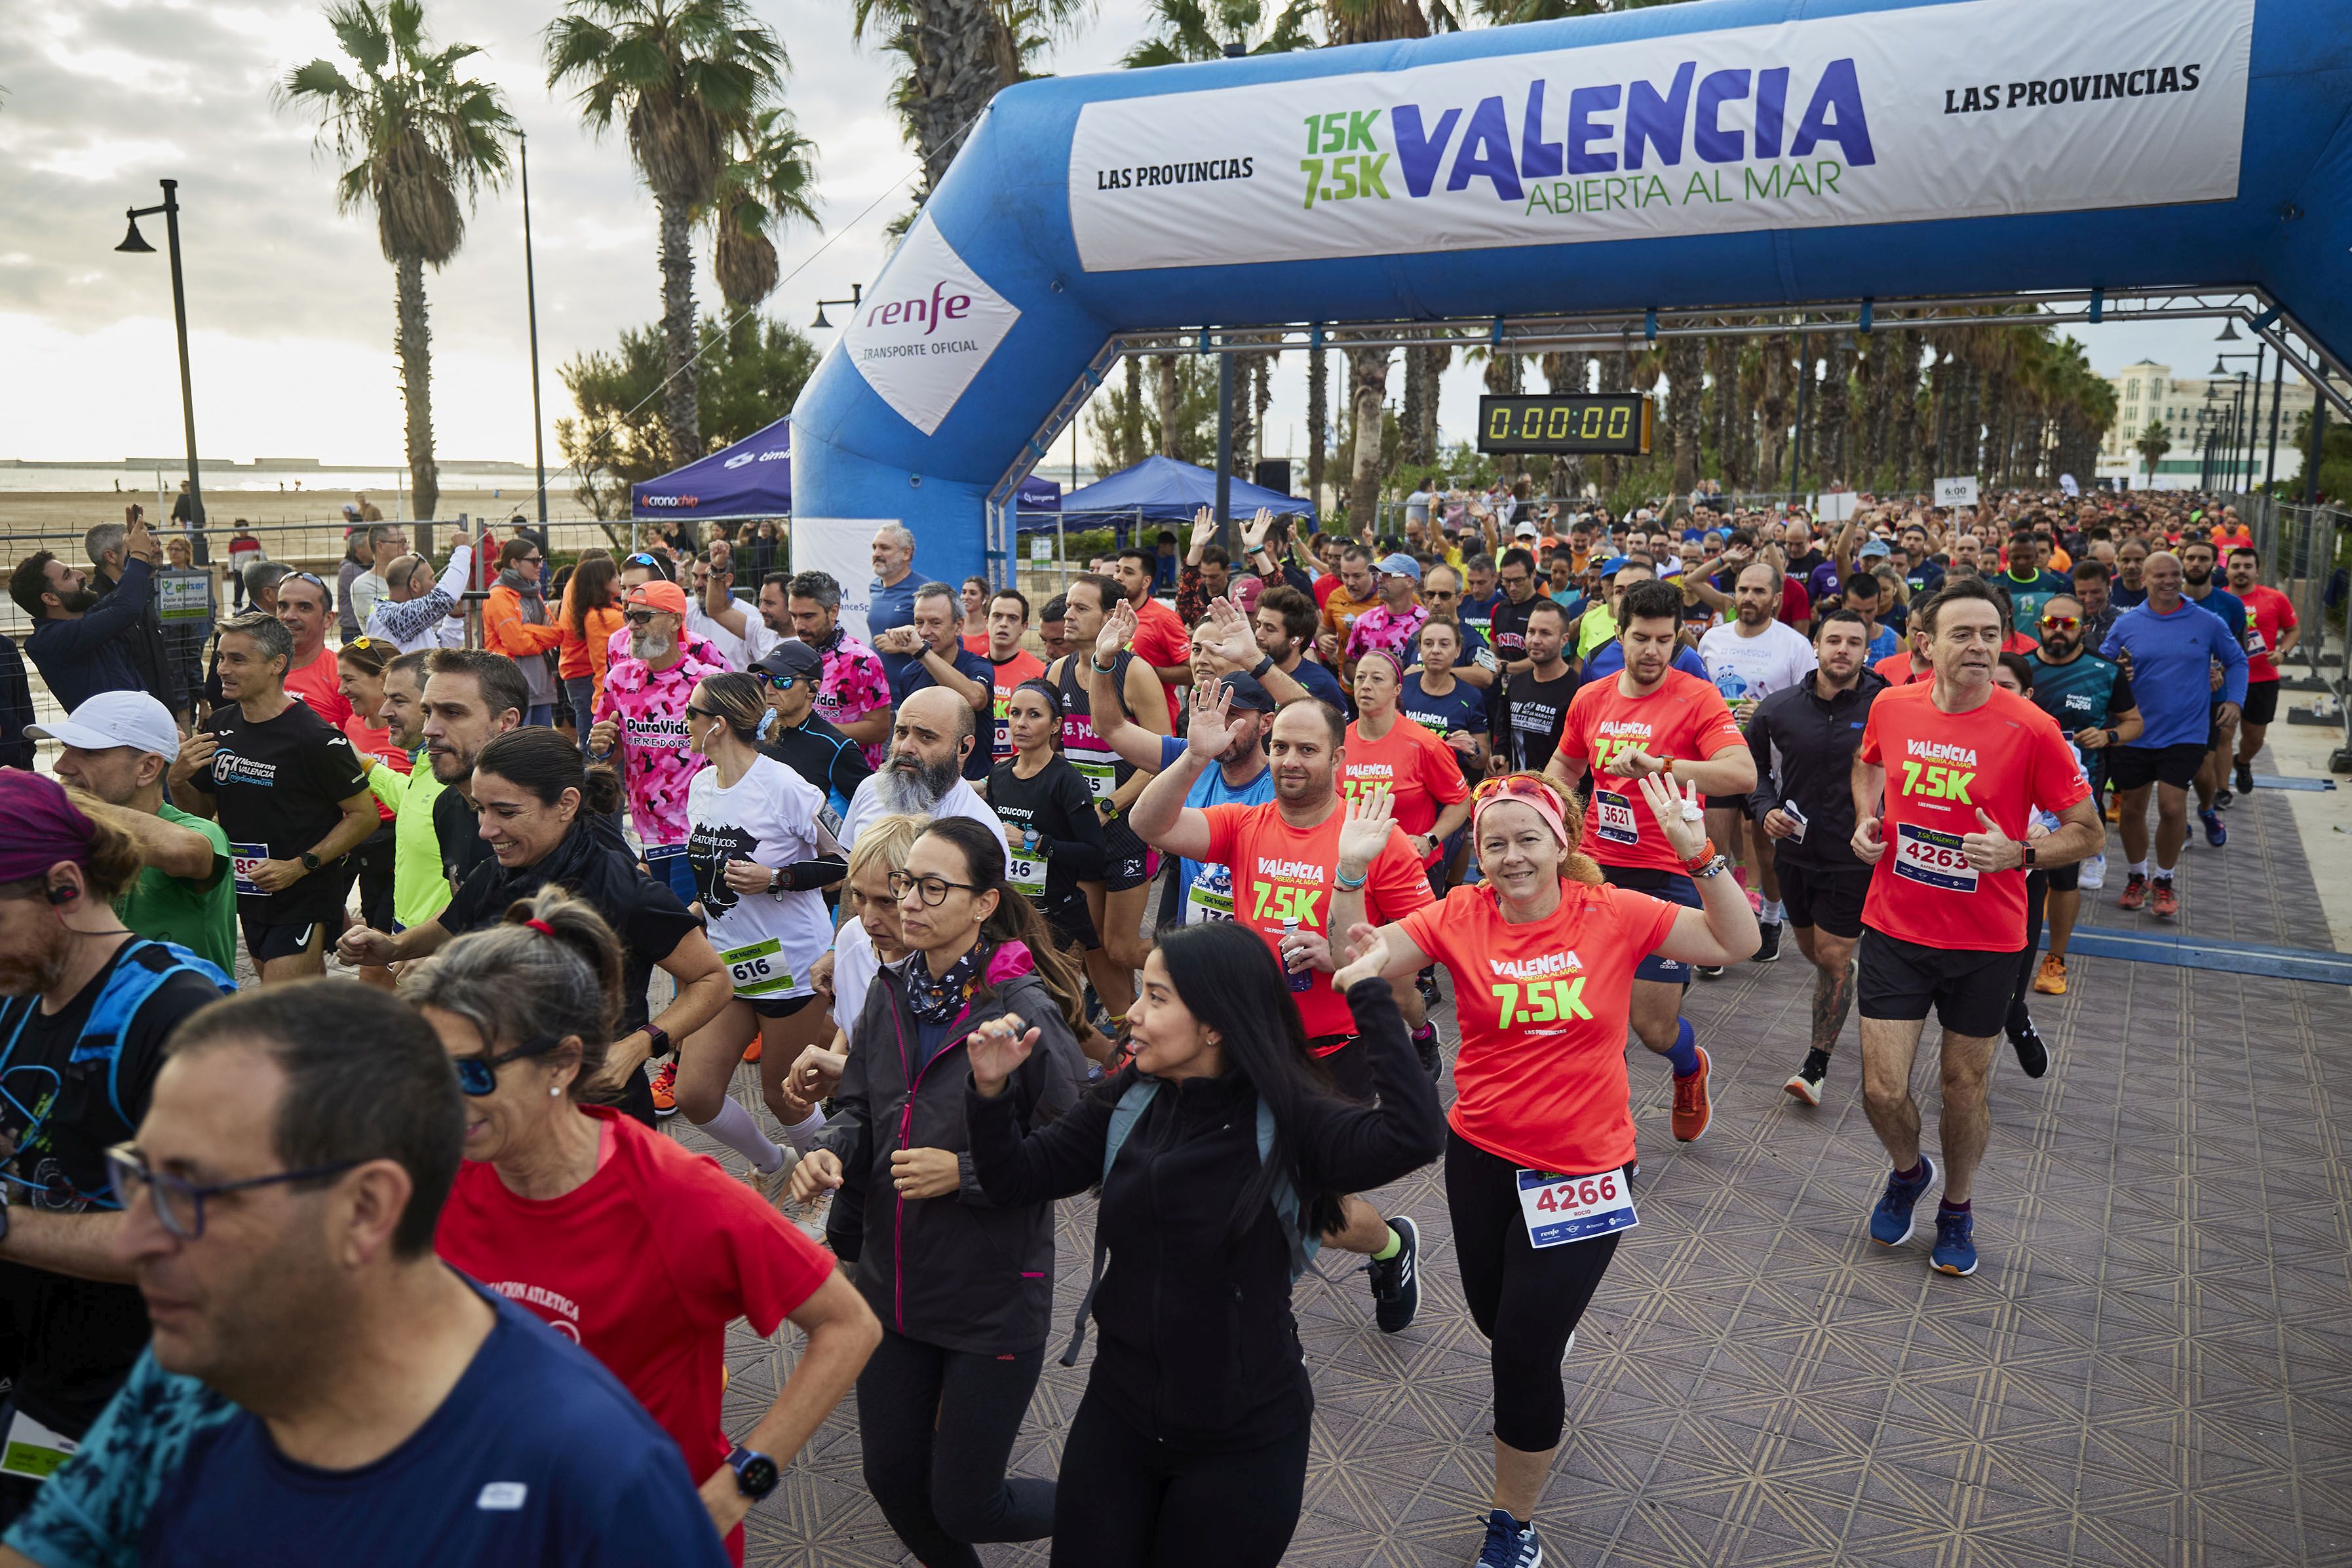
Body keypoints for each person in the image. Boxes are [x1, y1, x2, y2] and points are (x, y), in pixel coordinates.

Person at [58, 979, 735, 1565]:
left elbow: (841, 1319)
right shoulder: (180, 1381)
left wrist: (743, 1481)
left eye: (198, 1193)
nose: (138, 1236)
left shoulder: (587, 1458)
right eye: (141, 1177)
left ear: (366, 1206)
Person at [1331, 770, 1755, 1568]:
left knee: (1519, 1352)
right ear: (1479, 854)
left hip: (1586, 1167)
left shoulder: (1614, 912)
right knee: (1497, 1321)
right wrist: (1352, 875)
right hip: (1483, 1156)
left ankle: (1511, 1520)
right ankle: (1533, 1349)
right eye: (1495, 842)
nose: (1512, 856)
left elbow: (1740, 942)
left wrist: (1700, 854)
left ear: (1562, 843)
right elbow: (1353, 960)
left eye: (1529, 838)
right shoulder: (1459, 914)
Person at [409, 890, 879, 1563]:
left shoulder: (676, 1195)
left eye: (471, 1071)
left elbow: (848, 1326)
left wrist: (736, 1487)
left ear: (564, 1062)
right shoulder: (435, 1174)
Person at [963, 920, 1445, 1568]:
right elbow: (1015, 1178)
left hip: (1243, 1440)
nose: (1131, 1012)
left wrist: (1364, 991)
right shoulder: (1126, 1098)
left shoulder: (1290, 1118)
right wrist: (990, 1093)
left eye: (1156, 997)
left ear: (1217, 1023)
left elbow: (1415, 1135)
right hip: (1119, 1415)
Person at [788, 818, 1089, 1568]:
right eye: (905, 886)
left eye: (932, 887)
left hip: (990, 1292)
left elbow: (1079, 1149)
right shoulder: (892, 987)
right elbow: (863, 1106)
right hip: (892, 1284)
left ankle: (1126, 1502)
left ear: (985, 902)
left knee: (966, 1501)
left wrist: (970, 1173)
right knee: (890, 1476)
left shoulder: (1025, 1010)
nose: (909, 903)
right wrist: (828, 1152)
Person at [1130, 691, 1437, 1333]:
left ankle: (1356, 1269)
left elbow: (1418, 960)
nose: (1289, 760)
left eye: (1306, 749)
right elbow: (1149, 825)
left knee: (1296, 1198)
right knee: (1273, 1194)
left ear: (1339, 756)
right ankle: (1368, 1258)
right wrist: (1191, 757)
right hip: (1248, 1044)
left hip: (1337, 1051)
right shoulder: (1247, 823)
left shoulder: (1376, 840)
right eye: (1280, 747)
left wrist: (1339, 959)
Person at [1850, 579, 2104, 1278]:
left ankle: (1956, 1206)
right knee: (1881, 1089)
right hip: (1897, 925)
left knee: (1963, 1086)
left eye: (1990, 635)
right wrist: (1865, 820)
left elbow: (2087, 832)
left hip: (1987, 941)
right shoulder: (1890, 703)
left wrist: (2019, 853)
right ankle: (1908, 1171)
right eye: (1963, 634)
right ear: (1924, 643)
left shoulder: (2030, 726)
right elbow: (1867, 762)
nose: (1979, 647)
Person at [0, 771, 233, 1526]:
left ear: (65, 886)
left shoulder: (178, 1014)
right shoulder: (18, 995)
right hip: (47, 1395)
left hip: (158, 1407)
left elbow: (199, 1240)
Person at [337, 727, 731, 1126]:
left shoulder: (624, 888)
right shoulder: (497, 869)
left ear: (566, 804)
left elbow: (713, 980)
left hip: (596, 1108)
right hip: (507, 1098)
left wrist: (637, 1046)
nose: (486, 829)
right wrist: (394, 947)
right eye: (480, 808)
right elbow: (454, 920)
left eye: (505, 812)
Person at [1543, 579, 1756, 1142]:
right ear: (1619, 632)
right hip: (1594, 866)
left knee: (1653, 1025)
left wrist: (1663, 764)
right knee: (1578, 1001)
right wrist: (1538, 820)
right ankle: (1585, 1122)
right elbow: (1562, 770)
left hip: (1667, 870)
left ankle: (1689, 1067)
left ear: (1677, 637)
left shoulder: (1697, 697)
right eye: (1640, 638)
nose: (1651, 652)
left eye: (1664, 639)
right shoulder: (1590, 697)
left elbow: (1741, 773)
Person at [676, 673, 845, 1176]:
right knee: (695, 1094)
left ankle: (839, 1188)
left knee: (784, 1094)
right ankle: (774, 1164)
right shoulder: (701, 785)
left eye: (690, 714)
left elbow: (845, 862)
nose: (681, 723)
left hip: (793, 965)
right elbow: (710, 872)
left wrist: (778, 876)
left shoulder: (786, 787)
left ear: (718, 725)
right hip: (729, 966)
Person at [164, 614, 376, 982]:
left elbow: (364, 816)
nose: (222, 670)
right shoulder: (220, 725)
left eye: (237, 659)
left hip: (302, 894)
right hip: (248, 892)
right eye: (220, 658)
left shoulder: (315, 737)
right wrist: (179, 782)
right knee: (289, 1008)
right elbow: (203, 812)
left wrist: (300, 865)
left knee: (286, 1010)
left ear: (277, 664)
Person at [1743, 611, 1887, 1105]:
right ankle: (1843, 981)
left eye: (1854, 641)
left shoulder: (1888, 705)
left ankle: (1815, 1066)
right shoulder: (1778, 708)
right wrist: (1764, 809)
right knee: (1813, 951)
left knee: (1831, 955)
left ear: (1866, 650)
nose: (1842, 650)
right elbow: (1752, 769)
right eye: (1833, 640)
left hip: (1855, 855)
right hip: (1795, 853)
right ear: (1816, 646)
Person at [39, 692, 235, 974]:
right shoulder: (67, 834)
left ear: (147, 768)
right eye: (65, 747)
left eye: (89, 752)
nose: (61, 765)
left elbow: (185, 852)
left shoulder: (199, 831)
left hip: (190, 1017)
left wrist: (49, 800)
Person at [2100, 551, 2247, 918]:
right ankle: (2137, 876)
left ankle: (2164, 881)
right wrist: (2116, 672)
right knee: (2132, 809)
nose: (2169, 581)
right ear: (2144, 580)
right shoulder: (2128, 623)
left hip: (2186, 732)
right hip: (2135, 730)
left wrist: (2235, 702)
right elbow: (2101, 666)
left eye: (2175, 575)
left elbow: (2238, 660)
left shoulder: (2206, 622)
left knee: (2170, 806)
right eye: (2160, 575)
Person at [1341, 648, 1469, 1060]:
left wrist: (1430, 838)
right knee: (1349, 963)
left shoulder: (1423, 744)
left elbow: (1460, 802)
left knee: (1402, 989)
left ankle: (1420, 1032)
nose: (1366, 686)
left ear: (1398, 690)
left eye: (1378, 679)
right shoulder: (1338, 743)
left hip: (1410, 872)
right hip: (1353, 873)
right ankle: (1356, 1049)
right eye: (1361, 677)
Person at [1053, 576, 1171, 1020]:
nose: (1068, 614)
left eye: (1080, 608)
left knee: (1122, 946)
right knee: (1093, 942)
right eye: (1068, 605)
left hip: (1125, 825)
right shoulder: (1058, 671)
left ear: (1109, 617)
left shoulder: (1135, 671)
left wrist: (1109, 806)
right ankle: (1126, 1034)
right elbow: (1056, 753)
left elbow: (1162, 757)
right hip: (1082, 828)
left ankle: (1203, 972)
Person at [2022, 596, 2140, 1001]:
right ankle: (2008, 952)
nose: (2059, 630)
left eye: (2068, 624)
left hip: (2075, 791)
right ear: (2039, 625)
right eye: (2051, 622)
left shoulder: (2104, 672)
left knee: (2062, 875)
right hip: (2019, 787)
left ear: (2083, 628)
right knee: (2013, 873)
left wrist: (2109, 736)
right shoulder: (2019, 668)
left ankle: (2055, 958)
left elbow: (2134, 723)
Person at [1697, 560, 1819, 942]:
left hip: (1770, 764)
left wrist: (1767, 713)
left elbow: (1811, 705)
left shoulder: (1795, 645)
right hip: (1719, 758)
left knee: (1766, 850)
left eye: (1759, 591)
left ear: (1777, 599)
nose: (1748, 598)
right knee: (1712, 848)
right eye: (1743, 590)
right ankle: (1716, 923)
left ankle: (1769, 918)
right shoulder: (1713, 640)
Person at [591, 581, 727, 904]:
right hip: (647, 833)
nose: (632, 626)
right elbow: (609, 754)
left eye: (643, 617)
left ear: (675, 620)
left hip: (697, 829)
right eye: (629, 616)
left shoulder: (707, 681)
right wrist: (602, 746)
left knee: (688, 928)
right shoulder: (619, 679)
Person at [988, 678, 1109, 963]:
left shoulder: (1067, 780)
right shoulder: (999, 775)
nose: (1020, 723)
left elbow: (1095, 854)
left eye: (1034, 715)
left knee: (1058, 1006)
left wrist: (1034, 843)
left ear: (1055, 725)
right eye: (1015, 713)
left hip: (1059, 919)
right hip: (1010, 914)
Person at [11, 512, 161, 714]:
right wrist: (139, 555)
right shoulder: (51, 640)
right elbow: (126, 608)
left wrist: (129, 548)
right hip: (108, 742)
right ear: (51, 598)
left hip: (139, 728)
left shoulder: (86, 618)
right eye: (68, 576)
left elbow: (122, 596)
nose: (81, 575)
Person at [351, 649, 454, 937]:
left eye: (398, 700)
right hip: (410, 935)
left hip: (436, 948)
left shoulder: (465, 782)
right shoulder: (427, 764)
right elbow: (412, 801)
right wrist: (365, 764)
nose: (384, 711)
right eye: (386, 697)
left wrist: (430, 947)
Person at [838, 689, 1012, 857]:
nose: (905, 747)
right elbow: (849, 869)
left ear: (963, 748)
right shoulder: (870, 788)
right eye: (901, 733)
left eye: (926, 737)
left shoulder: (980, 827)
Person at [418, 649, 528, 889]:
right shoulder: (446, 805)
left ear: (506, 722)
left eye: (453, 713)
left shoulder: (553, 811)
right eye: (427, 712)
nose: (429, 729)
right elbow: (464, 908)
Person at [334, 637, 411, 963]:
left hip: (400, 852)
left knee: (387, 942)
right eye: (340, 679)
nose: (341, 690)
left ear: (383, 679)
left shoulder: (410, 736)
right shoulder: (352, 725)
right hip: (365, 849)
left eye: (350, 680)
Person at [872, 584, 992, 778]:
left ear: (959, 626)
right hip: (925, 787)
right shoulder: (910, 673)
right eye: (919, 623)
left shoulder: (977, 665)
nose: (925, 631)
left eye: (935, 623)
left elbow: (975, 699)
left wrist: (920, 652)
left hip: (971, 787)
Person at [81, 518, 181, 721]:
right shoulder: (96, 606)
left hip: (160, 712)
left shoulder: (140, 592)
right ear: (110, 556)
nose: (144, 552)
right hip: (132, 719)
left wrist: (171, 715)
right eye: (134, 548)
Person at [2225, 544, 2298, 795]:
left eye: (2248, 566)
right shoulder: (2217, 598)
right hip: (2224, 680)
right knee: (2222, 737)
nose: (2241, 571)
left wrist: (2282, 652)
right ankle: (2219, 788)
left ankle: (2243, 762)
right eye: (2236, 566)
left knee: (2255, 738)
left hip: (2262, 679)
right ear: (2227, 571)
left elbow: (2293, 629)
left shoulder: (2275, 598)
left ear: (2258, 571)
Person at [484, 538, 564, 728]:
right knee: (519, 749)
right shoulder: (498, 595)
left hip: (541, 684)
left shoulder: (534, 593)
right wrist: (541, 633)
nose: (541, 565)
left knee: (540, 747)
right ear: (514, 563)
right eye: (535, 561)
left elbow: (558, 633)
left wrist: (527, 630)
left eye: (541, 559)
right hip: (513, 685)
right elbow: (517, 643)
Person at [1110, 548, 1193, 727]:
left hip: (1156, 727)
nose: (1118, 577)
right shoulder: (1108, 615)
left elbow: (1192, 672)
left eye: (1128, 572)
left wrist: (1148, 671)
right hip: (1116, 725)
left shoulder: (1164, 618)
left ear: (1146, 581)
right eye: (1117, 570)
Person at [558, 554, 625, 750]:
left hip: (587, 677)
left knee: (593, 742)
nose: (620, 579)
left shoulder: (598, 611)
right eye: (613, 575)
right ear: (600, 581)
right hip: (591, 680)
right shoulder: (604, 617)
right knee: (595, 747)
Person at [269, 570, 353, 729]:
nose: (289, 616)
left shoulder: (343, 675)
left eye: (304, 608)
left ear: (328, 620)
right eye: (283, 606)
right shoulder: (259, 668)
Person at [1252, 584, 1349, 712]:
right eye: (1258, 625)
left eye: (1270, 629)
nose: (1259, 634)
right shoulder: (1248, 673)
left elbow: (1341, 731)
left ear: (1297, 639)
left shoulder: (1323, 685)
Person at [364, 544, 473, 656]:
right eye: (431, 579)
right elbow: (444, 599)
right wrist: (463, 548)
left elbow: (440, 650)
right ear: (415, 585)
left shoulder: (409, 619)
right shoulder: (390, 617)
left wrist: (453, 618)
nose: (435, 585)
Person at [979, 589, 1046, 767]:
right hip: (975, 769)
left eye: (1012, 618)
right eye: (997, 616)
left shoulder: (1039, 673)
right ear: (986, 621)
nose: (1003, 624)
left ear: (1024, 626)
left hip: (1019, 772)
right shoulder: (972, 669)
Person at [866, 525, 922, 668]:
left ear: (906, 553)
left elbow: (950, 640)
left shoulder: (925, 591)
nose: (876, 554)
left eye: (884, 548)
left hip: (913, 686)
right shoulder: (875, 587)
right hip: (878, 685)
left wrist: (904, 646)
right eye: (874, 548)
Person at [345, 524, 406, 634]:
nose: (406, 547)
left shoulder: (410, 579)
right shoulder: (363, 586)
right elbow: (390, 626)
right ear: (380, 546)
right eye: (401, 542)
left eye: (406, 542)